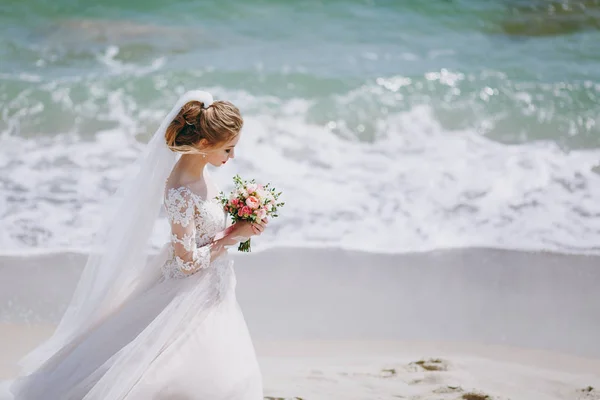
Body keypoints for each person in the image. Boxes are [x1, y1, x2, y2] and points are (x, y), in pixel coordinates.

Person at [9, 91, 266, 399]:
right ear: (203, 145)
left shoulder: (201, 169)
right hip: (191, 289)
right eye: (228, 149)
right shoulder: (181, 191)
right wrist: (232, 236)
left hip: (213, 283)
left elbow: (204, 225)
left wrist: (240, 218)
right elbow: (186, 262)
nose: (232, 157)